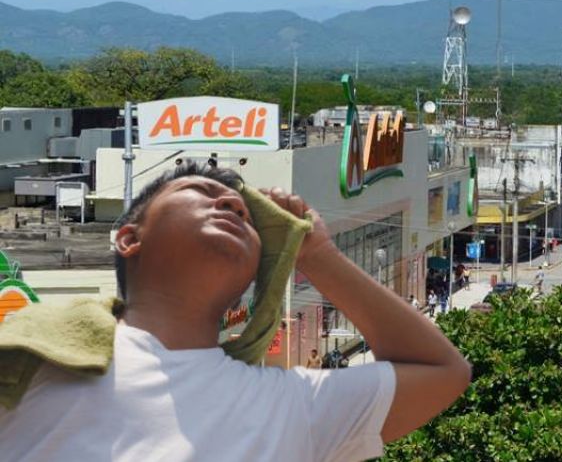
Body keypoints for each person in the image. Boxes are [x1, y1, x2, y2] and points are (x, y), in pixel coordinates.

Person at [0, 163, 471, 461]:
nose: (228, 203)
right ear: (129, 238)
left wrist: (317, 254)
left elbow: (443, 371)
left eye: (247, 218)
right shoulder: (32, 356)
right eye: (200, 192)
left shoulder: (292, 404)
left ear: (252, 277)